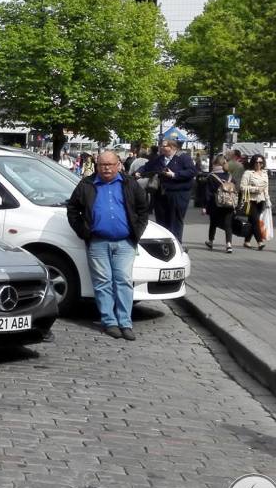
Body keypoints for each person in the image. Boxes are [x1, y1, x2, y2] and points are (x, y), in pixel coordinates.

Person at [66, 150, 149, 341]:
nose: (106, 168)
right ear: (97, 166)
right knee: (103, 282)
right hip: (98, 242)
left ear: (118, 165)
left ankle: (125, 323)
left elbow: (143, 209)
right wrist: (83, 231)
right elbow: (73, 209)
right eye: (102, 165)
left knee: (123, 281)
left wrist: (137, 231)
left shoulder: (129, 183)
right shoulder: (87, 184)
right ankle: (109, 322)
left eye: (110, 165)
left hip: (125, 242)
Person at [139, 139, 197, 242]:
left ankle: (176, 243)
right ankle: (164, 243)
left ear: (173, 147)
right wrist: (139, 172)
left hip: (178, 194)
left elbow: (192, 171)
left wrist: (175, 175)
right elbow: (147, 166)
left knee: (175, 220)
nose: (161, 147)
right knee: (161, 220)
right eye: (161, 146)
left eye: (164, 146)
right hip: (161, 194)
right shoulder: (160, 158)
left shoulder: (183, 157)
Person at [200, 156, 237, 253]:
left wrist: (204, 206)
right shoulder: (230, 176)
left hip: (215, 204)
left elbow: (207, 193)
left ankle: (211, 241)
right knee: (228, 224)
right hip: (229, 203)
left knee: (213, 223)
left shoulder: (211, 176)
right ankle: (229, 244)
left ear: (215, 164)